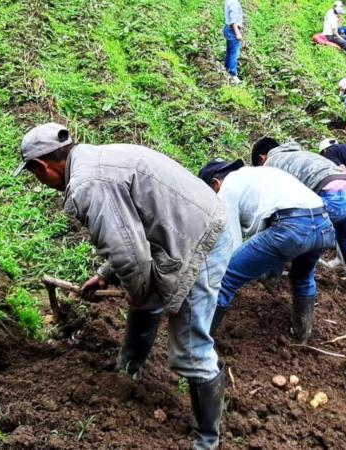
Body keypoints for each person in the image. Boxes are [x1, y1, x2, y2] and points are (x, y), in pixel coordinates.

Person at [14, 123, 233, 449]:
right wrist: (107, 274)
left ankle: (206, 439)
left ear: (42, 166)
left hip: (199, 241)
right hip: (185, 229)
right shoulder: (94, 160)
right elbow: (131, 226)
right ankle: (128, 369)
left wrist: (137, 292)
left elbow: (131, 257)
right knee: (146, 293)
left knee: (189, 348)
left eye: (34, 174)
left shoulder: (87, 184)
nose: (39, 181)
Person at [199, 159, 335, 343]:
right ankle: (302, 333)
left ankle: (199, 343)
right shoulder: (257, 174)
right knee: (302, 276)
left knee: (227, 277)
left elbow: (231, 245)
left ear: (215, 183)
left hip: (292, 227)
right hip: (324, 225)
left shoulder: (227, 188)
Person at [251, 138, 346, 282]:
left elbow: (271, 209)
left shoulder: (270, 164)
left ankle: (274, 277)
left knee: (293, 232)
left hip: (329, 195)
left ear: (262, 159)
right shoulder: (302, 155)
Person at [223, 0, 244, 84]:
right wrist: (238, 33)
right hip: (232, 30)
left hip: (228, 29)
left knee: (229, 52)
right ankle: (233, 75)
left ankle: (227, 70)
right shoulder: (234, 2)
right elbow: (233, 21)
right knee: (234, 53)